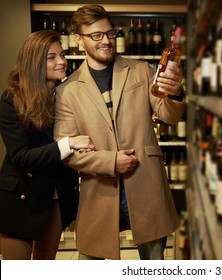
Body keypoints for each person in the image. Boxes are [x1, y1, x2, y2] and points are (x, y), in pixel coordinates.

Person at [54, 4, 186, 260]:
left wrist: (176, 92)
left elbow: (169, 115)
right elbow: (67, 150)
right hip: (99, 193)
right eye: (96, 36)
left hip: (146, 186)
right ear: (79, 39)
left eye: (110, 33)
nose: (106, 41)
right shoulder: (67, 91)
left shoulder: (141, 70)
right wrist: (111, 161)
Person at [0, 30, 95, 260]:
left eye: (61, 55)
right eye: (51, 57)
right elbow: (22, 157)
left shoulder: (66, 95)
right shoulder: (12, 98)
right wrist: (69, 143)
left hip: (57, 196)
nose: (62, 61)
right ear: (35, 62)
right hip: (22, 198)